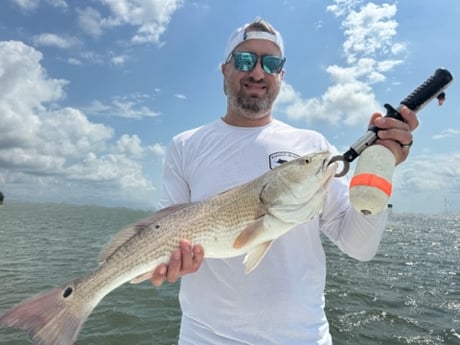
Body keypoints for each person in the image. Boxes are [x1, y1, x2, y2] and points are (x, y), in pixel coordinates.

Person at [150, 18, 418, 344]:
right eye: (245, 59)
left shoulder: (314, 146)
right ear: (224, 69)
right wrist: (172, 263)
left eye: (271, 63)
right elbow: (164, 231)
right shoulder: (185, 146)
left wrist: (381, 167)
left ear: (282, 75)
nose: (258, 73)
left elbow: (359, 246)